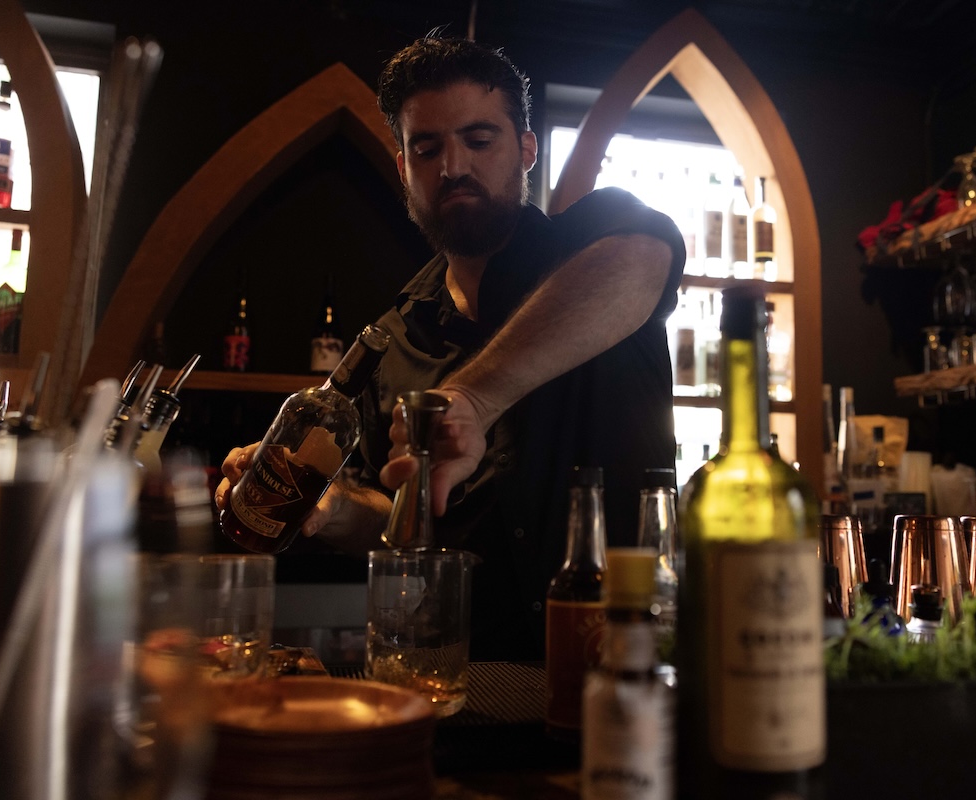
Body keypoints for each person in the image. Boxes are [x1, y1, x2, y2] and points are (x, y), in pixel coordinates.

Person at [216, 34, 686, 661]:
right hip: (470, 676)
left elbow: (643, 259)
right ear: (404, 165)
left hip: (626, 661)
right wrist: (332, 510)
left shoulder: (599, 249)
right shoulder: (390, 339)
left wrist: (472, 396)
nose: (453, 166)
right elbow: (395, 519)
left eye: (479, 139)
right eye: (427, 147)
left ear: (526, 149)